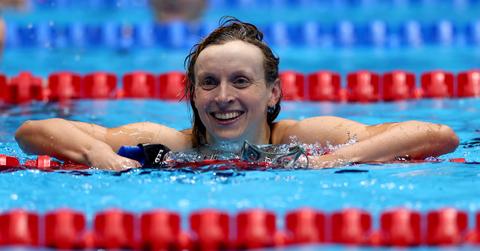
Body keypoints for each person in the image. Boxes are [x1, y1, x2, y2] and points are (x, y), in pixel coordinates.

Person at [15, 18, 459, 171]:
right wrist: (96, 152)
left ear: (273, 93)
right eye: (209, 83)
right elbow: (32, 131)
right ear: (191, 93)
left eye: (241, 82)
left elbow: (437, 134)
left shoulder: (302, 137)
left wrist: (330, 161)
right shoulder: (169, 144)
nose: (222, 96)